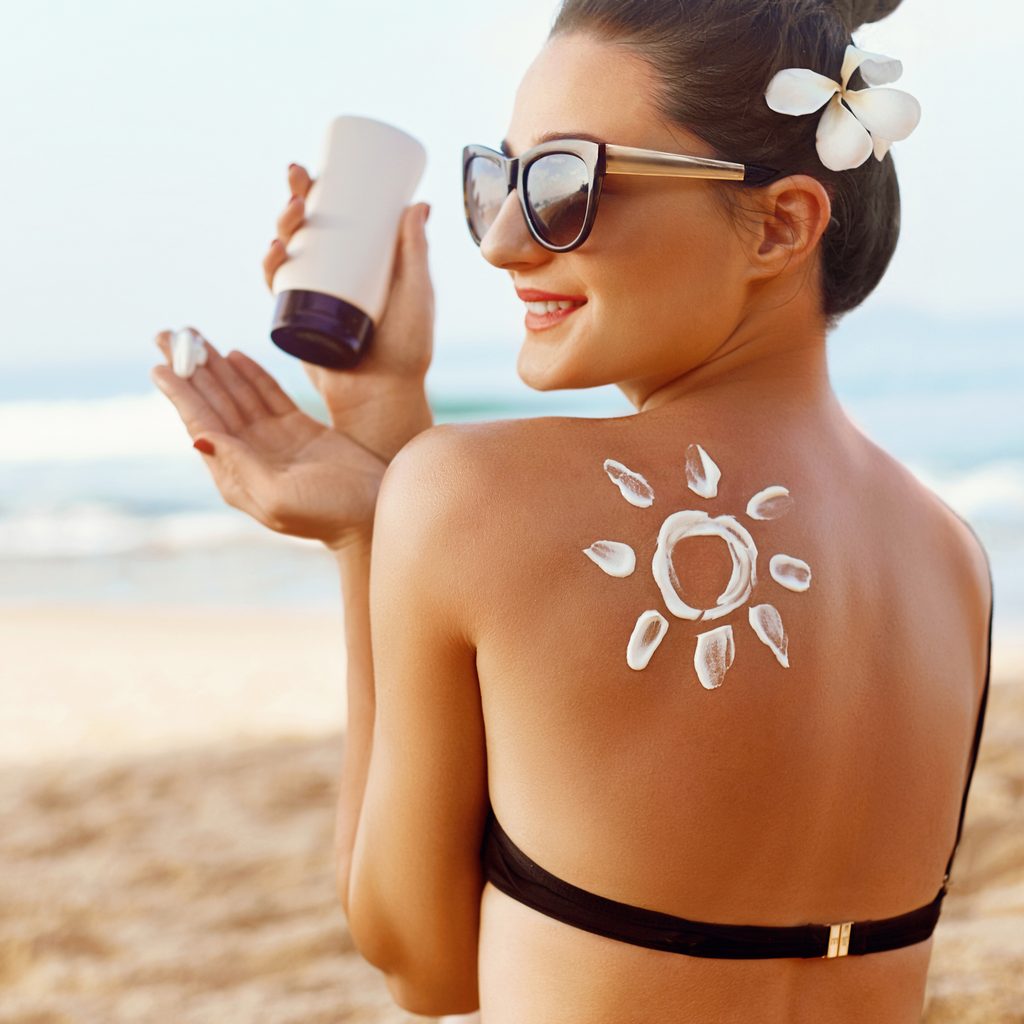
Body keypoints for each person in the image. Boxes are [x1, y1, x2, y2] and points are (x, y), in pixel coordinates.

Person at [150, 0, 994, 1019]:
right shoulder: (954, 555)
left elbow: (424, 963)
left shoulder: (467, 494)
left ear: (779, 224)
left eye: (566, 184)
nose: (505, 244)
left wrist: (368, 523)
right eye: (499, 180)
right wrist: (386, 441)